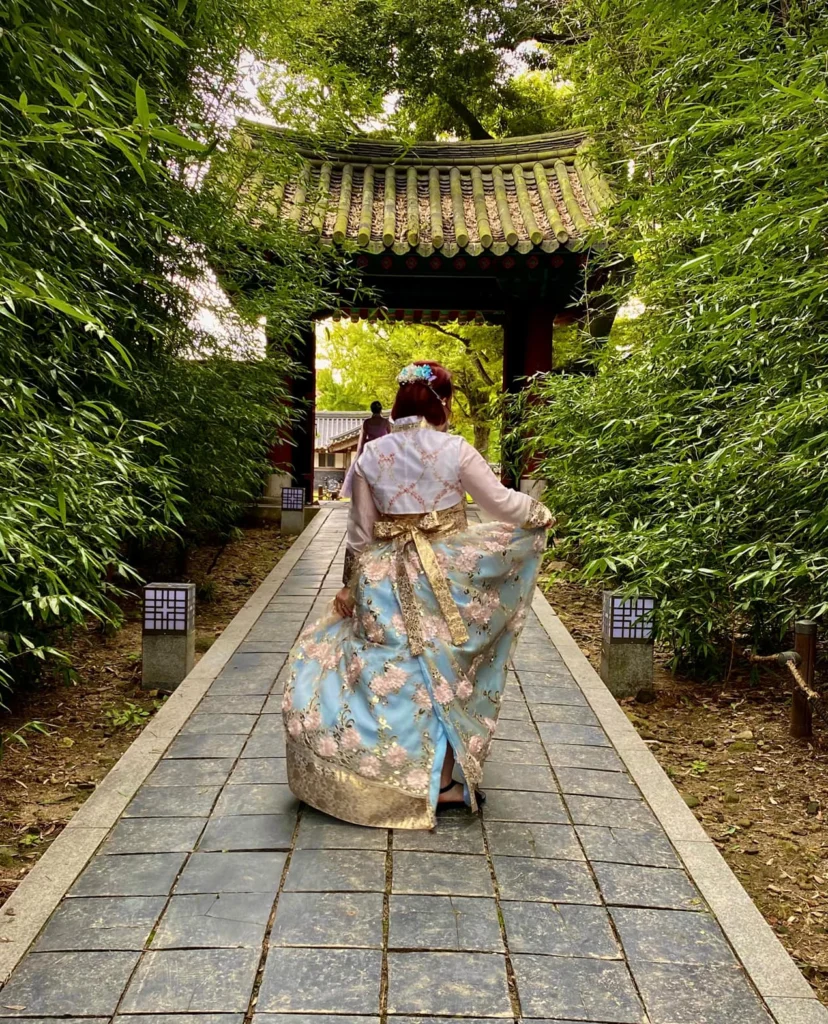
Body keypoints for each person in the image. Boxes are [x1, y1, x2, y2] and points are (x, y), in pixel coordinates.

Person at [282, 361, 554, 829]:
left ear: (399, 402)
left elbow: (360, 534)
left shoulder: (371, 454)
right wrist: (540, 512)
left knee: (387, 673)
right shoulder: (456, 450)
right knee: (445, 669)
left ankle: (378, 776)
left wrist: (349, 585)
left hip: (384, 577)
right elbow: (500, 504)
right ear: (442, 401)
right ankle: (443, 783)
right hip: (444, 574)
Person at [340, 400, 390, 499]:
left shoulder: (367, 422)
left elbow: (362, 439)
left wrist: (360, 452)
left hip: (369, 450)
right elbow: (390, 437)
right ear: (381, 410)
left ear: (371, 410)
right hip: (382, 449)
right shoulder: (385, 422)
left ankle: (365, 493)